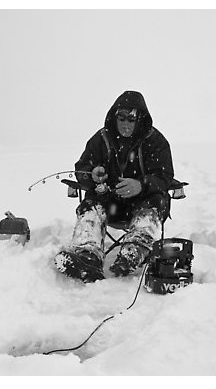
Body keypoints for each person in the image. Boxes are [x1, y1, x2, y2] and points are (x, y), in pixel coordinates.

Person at [54, 90, 174, 282]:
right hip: (111, 205)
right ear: (114, 116)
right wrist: (92, 175)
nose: (126, 123)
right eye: (122, 117)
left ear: (140, 119)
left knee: (155, 200)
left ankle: (134, 251)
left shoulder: (155, 141)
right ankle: (87, 256)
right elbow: (81, 169)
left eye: (131, 118)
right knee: (91, 203)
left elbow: (165, 176)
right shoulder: (101, 139)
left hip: (142, 203)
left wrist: (141, 185)